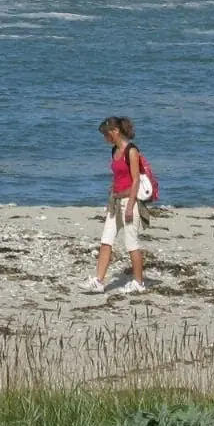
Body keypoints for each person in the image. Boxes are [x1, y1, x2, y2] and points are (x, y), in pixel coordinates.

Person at [83, 116, 147, 294]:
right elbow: (119, 175)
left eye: (106, 134)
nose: (105, 138)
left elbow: (135, 181)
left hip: (129, 201)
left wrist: (130, 206)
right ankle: (99, 281)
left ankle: (138, 283)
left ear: (115, 132)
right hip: (115, 201)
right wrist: (113, 190)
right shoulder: (114, 151)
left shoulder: (131, 151)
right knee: (106, 240)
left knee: (131, 244)